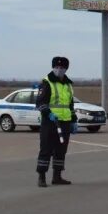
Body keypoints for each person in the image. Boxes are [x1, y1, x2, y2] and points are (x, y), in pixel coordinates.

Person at [35, 56, 78, 187]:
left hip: (64, 122)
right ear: (53, 67)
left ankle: (57, 176)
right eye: (57, 67)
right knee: (46, 149)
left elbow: (70, 105)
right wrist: (49, 113)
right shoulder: (47, 82)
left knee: (61, 150)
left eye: (62, 68)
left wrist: (73, 120)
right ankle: (41, 177)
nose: (59, 69)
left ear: (66, 69)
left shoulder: (68, 84)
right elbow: (40, 103)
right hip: (50, 122)